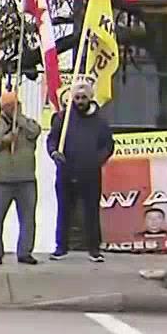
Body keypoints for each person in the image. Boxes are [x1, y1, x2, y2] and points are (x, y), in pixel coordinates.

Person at [48, 77, 114, 263]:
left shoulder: (99, 121)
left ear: (90, 98)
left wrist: (97, 160)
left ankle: (94, 249)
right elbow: (52, 139)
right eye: (76, 97)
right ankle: (61, 247)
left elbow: (108, 145)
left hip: (90, 174)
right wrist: (54, 153)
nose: (80, 101)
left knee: (91, 211)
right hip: (66, 171)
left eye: (83, 97)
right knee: (64, 210)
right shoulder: (63, 117)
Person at [0, 89, 41, 264]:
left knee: (28, 218)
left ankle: (25, 252)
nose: (12, 108)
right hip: (1, 179)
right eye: (8, 106)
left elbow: (35, 132)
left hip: (26, 179)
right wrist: (3, 141)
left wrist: (19, 119)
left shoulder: (27, 123)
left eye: (15, 105)